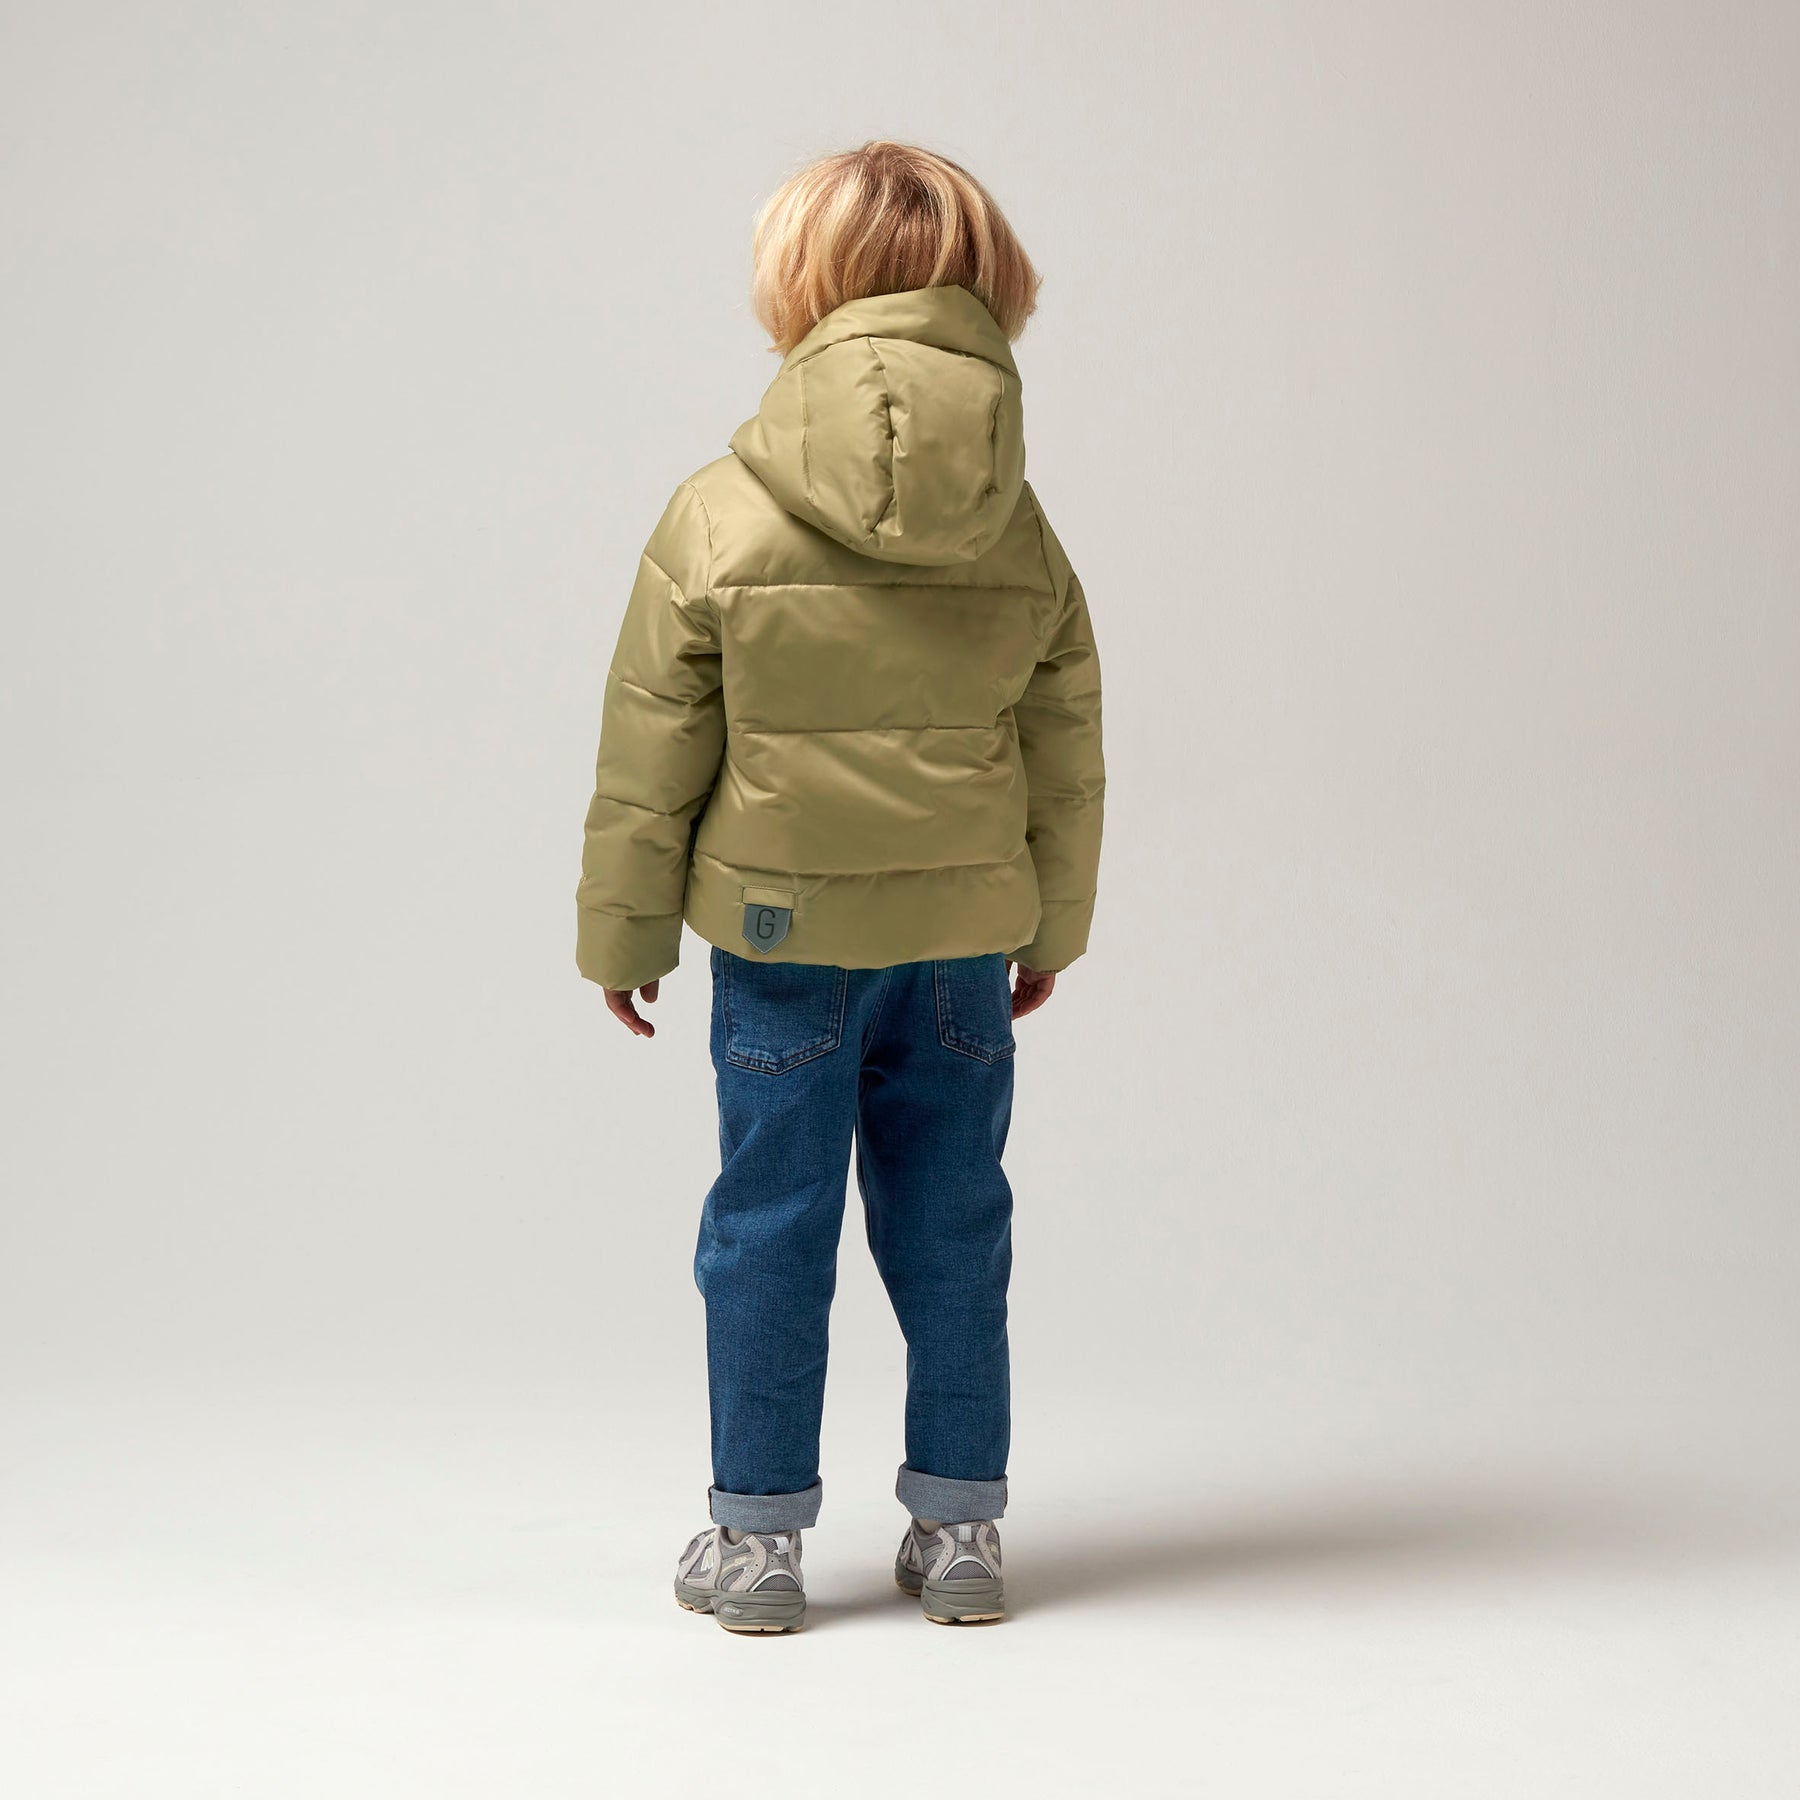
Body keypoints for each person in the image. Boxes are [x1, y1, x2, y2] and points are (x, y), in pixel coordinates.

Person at [575, 141, 1104, 1632]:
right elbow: (1064, 742)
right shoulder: (1016, 518)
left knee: (768, 1222)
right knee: (954, 1223)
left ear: (797, 288)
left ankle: (756, 1547)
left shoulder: (716, 510)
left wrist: (622, 932)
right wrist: (1052, 925)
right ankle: (962, 1530)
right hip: (961, 939)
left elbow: (651, 745)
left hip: (780, 935)